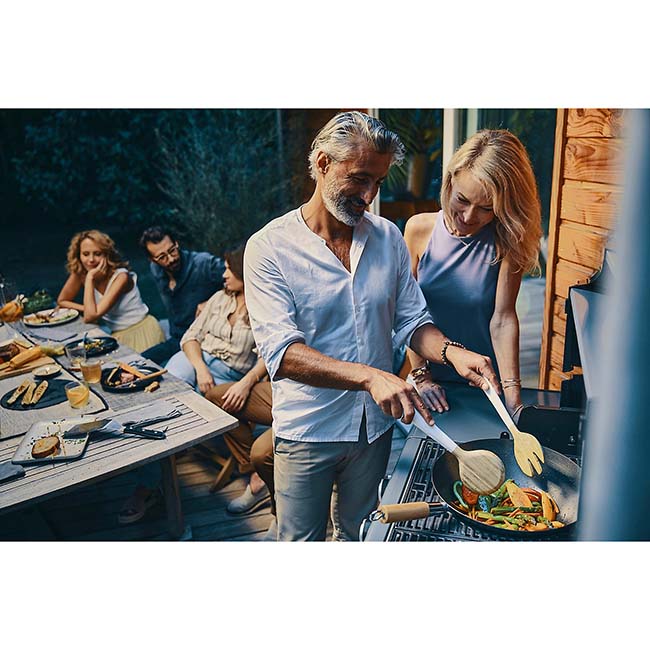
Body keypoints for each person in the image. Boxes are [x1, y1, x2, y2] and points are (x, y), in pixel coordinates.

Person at [244, 111, 500, 541]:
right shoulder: (268, 248)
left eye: (378, 182)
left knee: (362, 534)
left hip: (374, 429)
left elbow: (413, 320)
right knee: (300, 541)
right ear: (323, 163)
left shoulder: (387, 238)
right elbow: (283, 354)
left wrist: (454, 354)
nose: (369, 195)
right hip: (309, 430)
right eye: (360, 178)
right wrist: (370, 377)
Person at [118, 244, 267, 525]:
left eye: (228, 268)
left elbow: (269, 356)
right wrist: (199, 369)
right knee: (160, 400)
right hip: (196, 359)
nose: (223, 274)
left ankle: (257, 477)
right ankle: (148, 484)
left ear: (244, 272)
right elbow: (190, 337)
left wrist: (247, 384)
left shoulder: (265, 308)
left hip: (232, 374)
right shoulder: (219, 298)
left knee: (200, 405)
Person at [404, 129, 542, 420]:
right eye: (462, 200)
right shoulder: (418, 230)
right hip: (431, 382)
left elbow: (503, 320)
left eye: (485, 209)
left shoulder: (507, 242)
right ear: (450, 181)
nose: (468, 217)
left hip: (484, 383)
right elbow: (407, 312)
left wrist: (514, 399)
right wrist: (420, 376)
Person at [57, 230, 165, 353]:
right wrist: (86, 307)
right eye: (85, 254)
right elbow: (62, 301)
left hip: (142, 331)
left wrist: (89, 279)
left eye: (97, 254)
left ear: (107, 254)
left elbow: (89, 317)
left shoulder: (121, 277)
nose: (91, 260)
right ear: (79, 255)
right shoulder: (80, 274)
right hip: (117, 335)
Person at [139, 226, 225, 366]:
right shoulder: (155, 269)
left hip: (203, 340)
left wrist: (211, 302)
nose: (171, 259)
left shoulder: (204, 263)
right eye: (162, 257)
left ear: (177, 243)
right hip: (177, 338)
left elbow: (240, 279)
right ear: (152, 260)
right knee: (139, 362)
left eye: (172, 250)